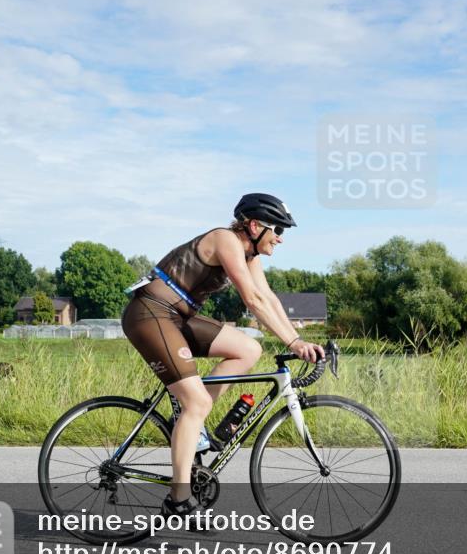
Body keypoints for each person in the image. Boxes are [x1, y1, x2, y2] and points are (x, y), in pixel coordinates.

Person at [121, 193, 325, 517]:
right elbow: (252, 302)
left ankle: (193, 421)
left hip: (177, 318)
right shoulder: (225, 240)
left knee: (248, 348)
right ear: (255, 225)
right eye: (279, 230)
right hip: (150, 314)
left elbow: (267, 297)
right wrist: (293, 344)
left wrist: (297, 338)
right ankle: (178, 497)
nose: (281, 239)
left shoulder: (250, 255)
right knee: (197, 402)